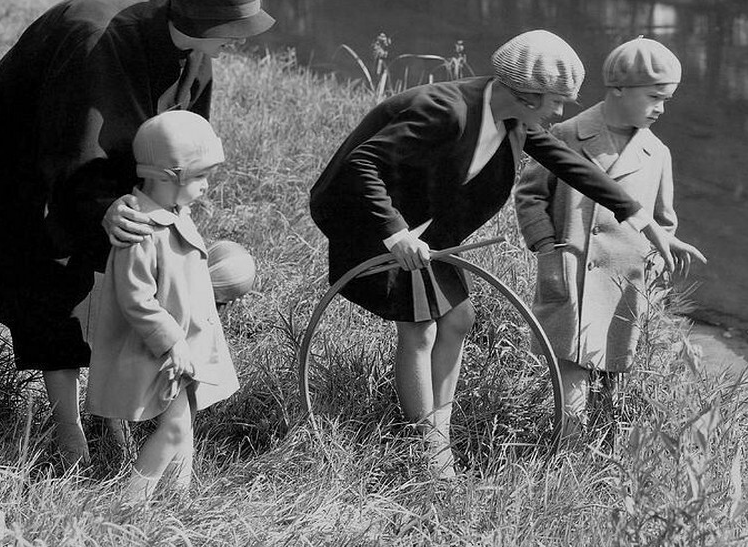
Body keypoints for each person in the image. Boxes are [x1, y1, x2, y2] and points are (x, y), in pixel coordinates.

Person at [309, 29, 697, 478]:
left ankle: (439, 428)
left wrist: (646, 223)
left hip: (426, 225)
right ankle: (428, 449)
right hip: (375, 220)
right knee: (419, 329)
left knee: (459, 319)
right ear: (528, 94)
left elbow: (572, 166)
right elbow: (361, 164)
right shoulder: (445, 110)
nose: (560, 111)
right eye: (556, 101)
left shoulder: (512, 118)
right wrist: (395, 234)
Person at [0, 0, 273, 468]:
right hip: (40, 126)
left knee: (138, 262)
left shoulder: (197, 47)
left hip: (102, 133)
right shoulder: (98, 45)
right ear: (203, 20)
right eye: (233, 30)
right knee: (52, 262)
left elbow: (177, 144)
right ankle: (67, 426)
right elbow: (73, 147)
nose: (241, 40)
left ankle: (116, 404)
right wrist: (105, 204)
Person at [514, 36, 707, 438]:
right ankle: (566, 448)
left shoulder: (657, 153)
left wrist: (661, 254)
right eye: (655, 97)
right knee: (571, 363)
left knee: (617, 365)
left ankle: (607, 444)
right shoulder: (568, 133)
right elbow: (531, 195)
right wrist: (547, 246)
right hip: (573, 268)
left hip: (626, 281)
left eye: (667, 99)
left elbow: (662, 218)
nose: (661, 108)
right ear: (619, 88)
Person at [86, 111, 239, 502]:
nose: (206, 186)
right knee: (174, 427)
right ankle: (129, 501)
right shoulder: (141, 230)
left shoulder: (174, 218)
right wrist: (172, 343)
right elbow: (137, 298)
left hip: (181, 350)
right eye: (200, 177)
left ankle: (179, 498)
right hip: (159, 353)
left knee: (184, 426)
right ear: (168, 176)